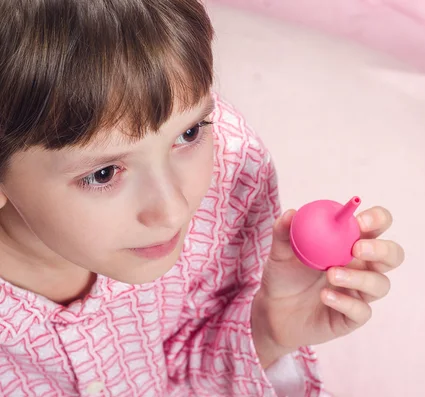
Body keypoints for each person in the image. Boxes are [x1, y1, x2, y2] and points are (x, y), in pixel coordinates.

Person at [0, 1, 404, 396]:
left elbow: (180, 370)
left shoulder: (229, 179)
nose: (175, 209)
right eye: (104, 174)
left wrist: (266, 329)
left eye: (189, 134)